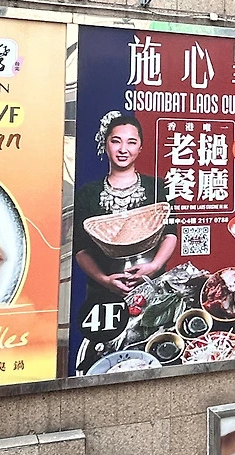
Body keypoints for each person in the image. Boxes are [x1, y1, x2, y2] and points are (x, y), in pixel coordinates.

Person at [73, 113, 179, 308]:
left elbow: (170, 234)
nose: (123, 149)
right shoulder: (87, 193)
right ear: (106, 144)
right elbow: (80, 249)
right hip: (103, 294)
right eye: (116, 141)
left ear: (140, 147)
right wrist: (105, 280)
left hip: (154, 288)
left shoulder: (159, 187)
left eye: (131, 142)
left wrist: (154, 266)